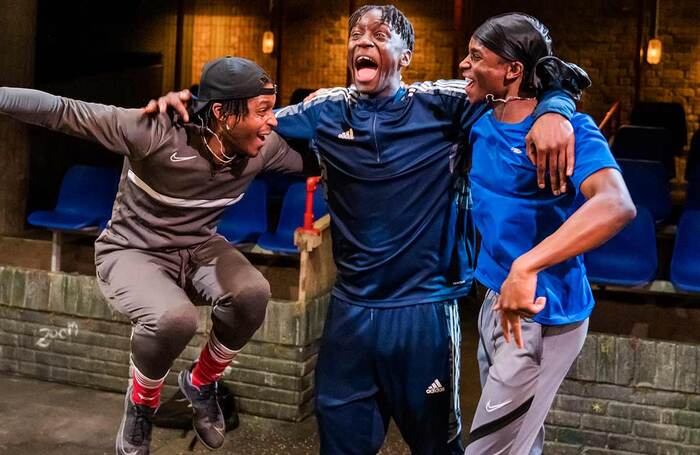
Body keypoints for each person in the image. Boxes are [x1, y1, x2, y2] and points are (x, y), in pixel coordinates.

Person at [151, 5, 584, 453]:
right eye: (356, 34)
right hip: (350, 313)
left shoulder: (447, 102)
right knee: (340, 444)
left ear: (406, 55)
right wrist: (187, 106)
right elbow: (254, 119)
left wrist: (556, 109)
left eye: (379, 34)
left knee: (437, 445)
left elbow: (537, 80)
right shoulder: (327, 109)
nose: (363, 41)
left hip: (424, 312)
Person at [0, 56, 311, 454]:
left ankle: (200, 385)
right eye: (263, 111)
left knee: (253, 293)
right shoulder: (155, 131)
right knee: (173, 318)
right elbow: (63, 111)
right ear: (222, 114)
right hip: (132, 250)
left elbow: (324, 160)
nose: (272, 122)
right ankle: (141, 406)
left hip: (198, 246)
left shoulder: (265, 149)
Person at [459, 13, 636, 454]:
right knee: (521, 442)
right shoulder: (479, 117)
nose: (463, 64)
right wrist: (558, 98)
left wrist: (528, 263)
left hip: (542, 311)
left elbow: (617, 205)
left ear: (512, 70)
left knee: (490, 448)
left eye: (476, 56)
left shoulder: (570, 131)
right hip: (495, 301)